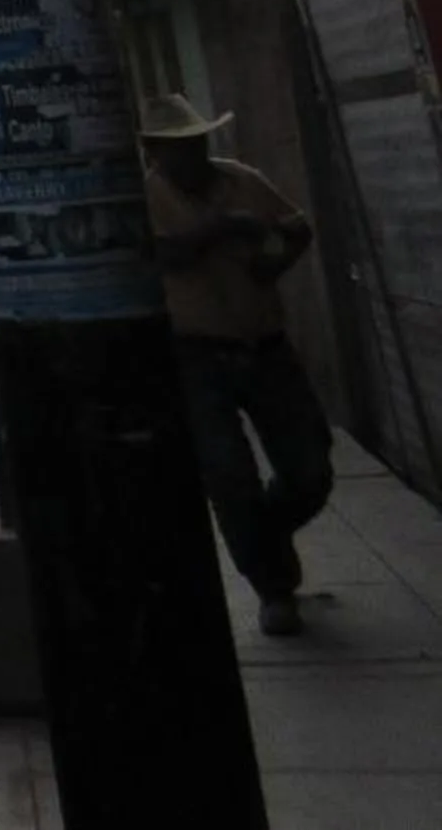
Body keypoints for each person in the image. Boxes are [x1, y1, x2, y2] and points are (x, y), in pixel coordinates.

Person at [138, 92, 330, 636]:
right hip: (197, 353)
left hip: (265, 345)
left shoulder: (240, 180)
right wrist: (226, 228)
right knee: (229, 476)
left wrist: (272, 262)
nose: (190, 155)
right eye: (177, 147)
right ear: (155, 152)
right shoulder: (148, 197)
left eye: (195, 143)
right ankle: (275, 586)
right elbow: (164, 254)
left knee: (310, 469)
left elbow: (296, 227)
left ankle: (264, 536)